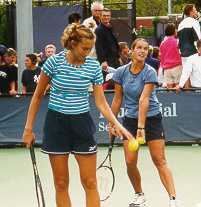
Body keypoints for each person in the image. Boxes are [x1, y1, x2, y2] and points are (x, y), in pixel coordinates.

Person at [22, 23, 134, 207]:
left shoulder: (92, 66)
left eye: (91, 49)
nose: (88, 52)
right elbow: (37, 97)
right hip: (56, 125)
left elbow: (100, 102)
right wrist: (28, 128)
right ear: (72, 43)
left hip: (82, 124)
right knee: (61, 183)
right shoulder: (53, 63)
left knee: (90, 182)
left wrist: (117, 124)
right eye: (84, 48)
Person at [109, 38, 179, 207]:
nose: (142, 51)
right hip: (130, 121)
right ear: (131, 51)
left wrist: (141, 127)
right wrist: (112, 122)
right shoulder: (120, 72)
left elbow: (144, 99)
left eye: (146, 49)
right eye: (139, 48)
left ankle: (173, 199)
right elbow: (117, 99)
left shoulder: (150, 72)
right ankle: (139, 195)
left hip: (152, 118)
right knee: (130, 161)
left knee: (159, 159)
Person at [95, 8, 120, 81]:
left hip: (115, 59)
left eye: (108, 15)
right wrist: (103, 61)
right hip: (107, 62)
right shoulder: (98, 30)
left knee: (117, 80)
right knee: (109, 81)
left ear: (110, 16)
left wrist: (118, 57)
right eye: (104, 15)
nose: (106, 17)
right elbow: (98, 46)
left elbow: (114, 43)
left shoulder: (110, 27)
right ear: (100, 16)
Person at [159, 23, 182, 88]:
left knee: (169, 90)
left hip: (166, 69)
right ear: (173, 31)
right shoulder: (177, 41)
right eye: (175, 29)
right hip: (177, 67)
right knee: (178, 88)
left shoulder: (162, 43)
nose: (177, 30)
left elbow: (161, 57)